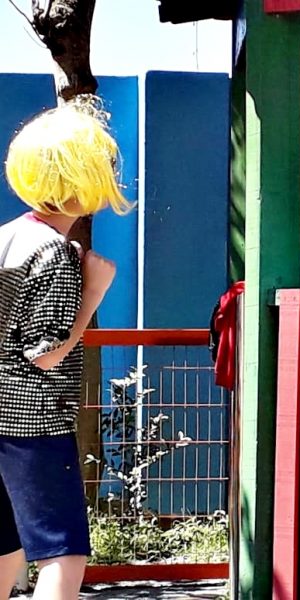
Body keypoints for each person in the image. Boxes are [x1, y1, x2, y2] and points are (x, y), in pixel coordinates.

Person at [0, 98, 131, 600]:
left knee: (7, 549)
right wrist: (93, 292)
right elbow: (45, 353)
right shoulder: (53, 252)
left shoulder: (10, 236)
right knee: (63, 553)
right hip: (31, 422)